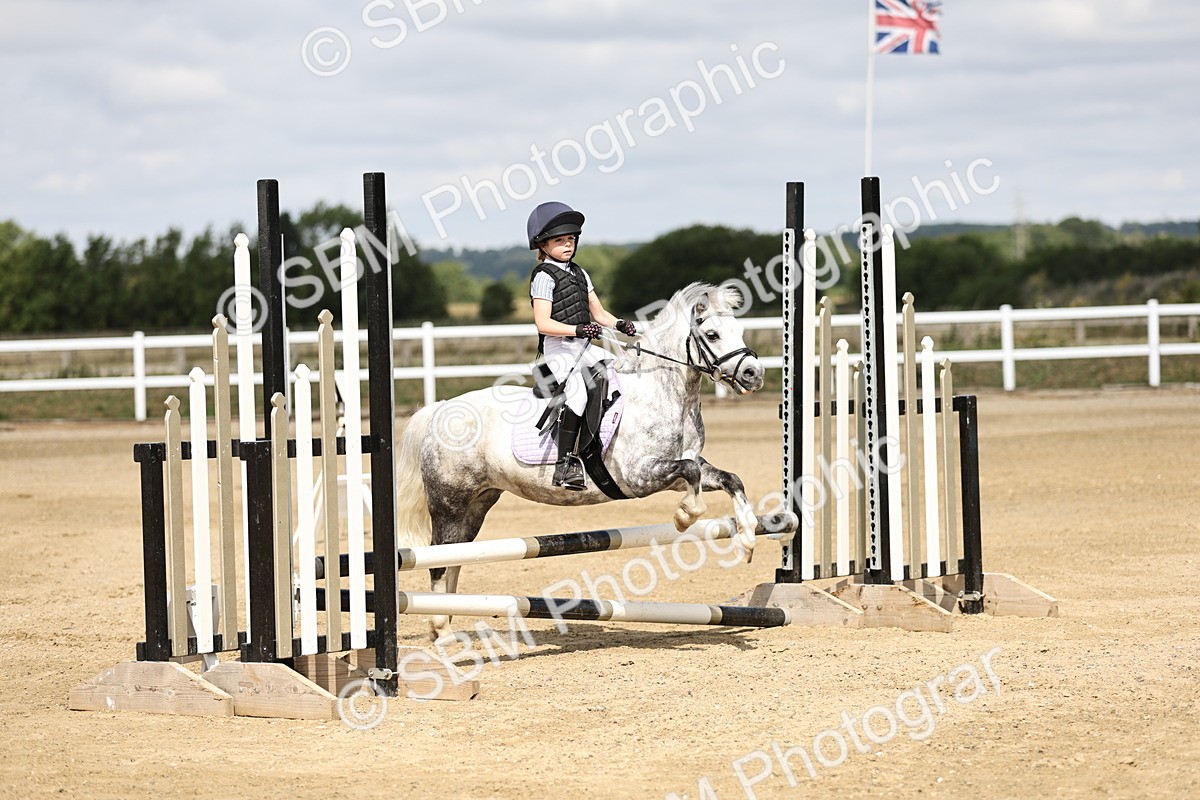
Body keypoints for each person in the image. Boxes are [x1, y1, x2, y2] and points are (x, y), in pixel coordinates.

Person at [527, 201, 637, 490]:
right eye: (560, 241)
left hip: (583, 347)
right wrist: (577, 329)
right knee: (576, 393)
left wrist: (619, 324)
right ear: (543, 244)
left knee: (625, 369)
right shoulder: (543, 277)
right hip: (558, 350)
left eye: (571, 240)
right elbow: (543, 323)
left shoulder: (580, 273)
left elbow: (599, 314)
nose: (567, 245)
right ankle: (564, 464)